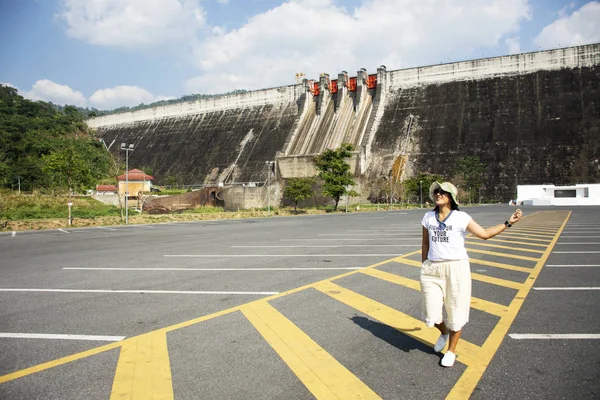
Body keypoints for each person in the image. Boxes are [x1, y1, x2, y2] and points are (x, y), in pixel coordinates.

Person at [421, 181, 522, 367]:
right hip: (432, 269)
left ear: (451, 196)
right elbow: (425, 243)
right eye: (436, 191)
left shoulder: (461, 217)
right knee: (431, 313)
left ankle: (451, 350)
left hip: (456, 268)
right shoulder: (428, 217)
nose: (438, 194)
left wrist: (508, 223)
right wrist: (424, 264)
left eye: (443, 192)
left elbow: (484, 234)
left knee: (456, 311)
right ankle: (443, 332)